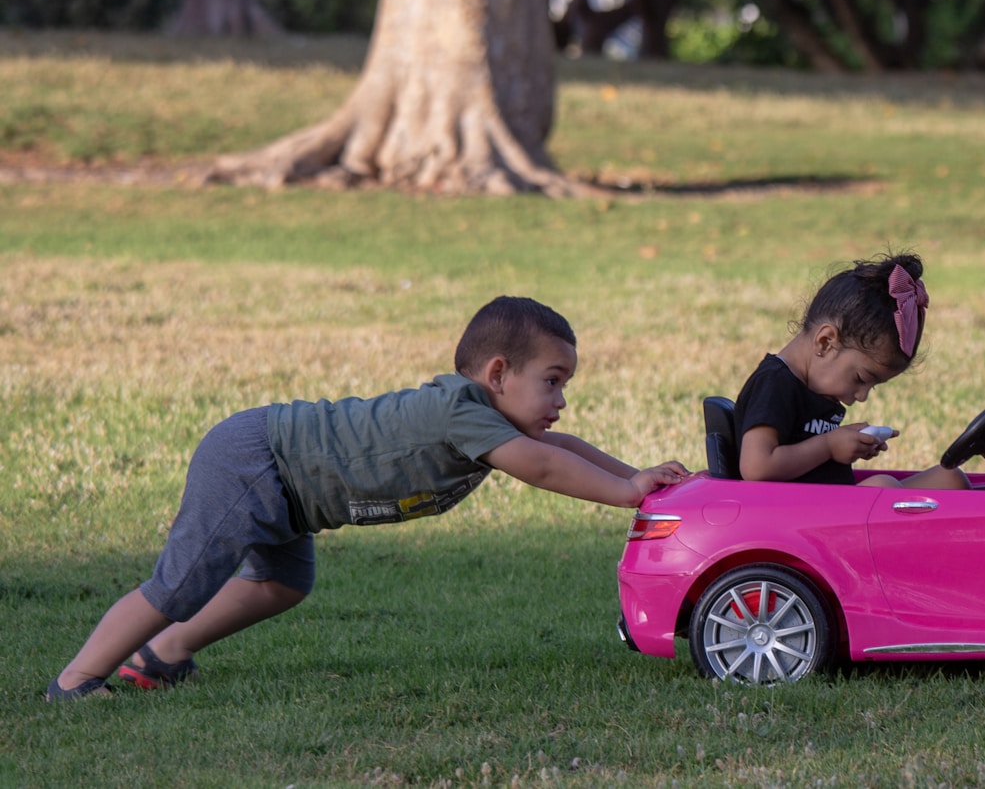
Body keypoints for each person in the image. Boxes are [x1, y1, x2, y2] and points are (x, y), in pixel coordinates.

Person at [47, 296, 687, 701]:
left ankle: (162, 654)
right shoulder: (462, 412)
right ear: (497, 374)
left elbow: (563, 445)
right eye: (551, 382)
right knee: (182, 582)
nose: (560, 400)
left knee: (282, 584)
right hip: (257, 460)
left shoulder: (492, 419)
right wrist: (624, 492)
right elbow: (544, 467)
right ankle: (75, 680)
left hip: (292, 490)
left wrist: (638, 482)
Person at [734, 253, 969, 489]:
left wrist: (847, 444)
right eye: (861, 379)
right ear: (826, 342)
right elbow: (757, 467)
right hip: (797, 515)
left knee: (949, 477)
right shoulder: (775, 384)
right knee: (883, 487)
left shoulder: (817, 386)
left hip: (833, 507)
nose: (862, 396)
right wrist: (828, 446)